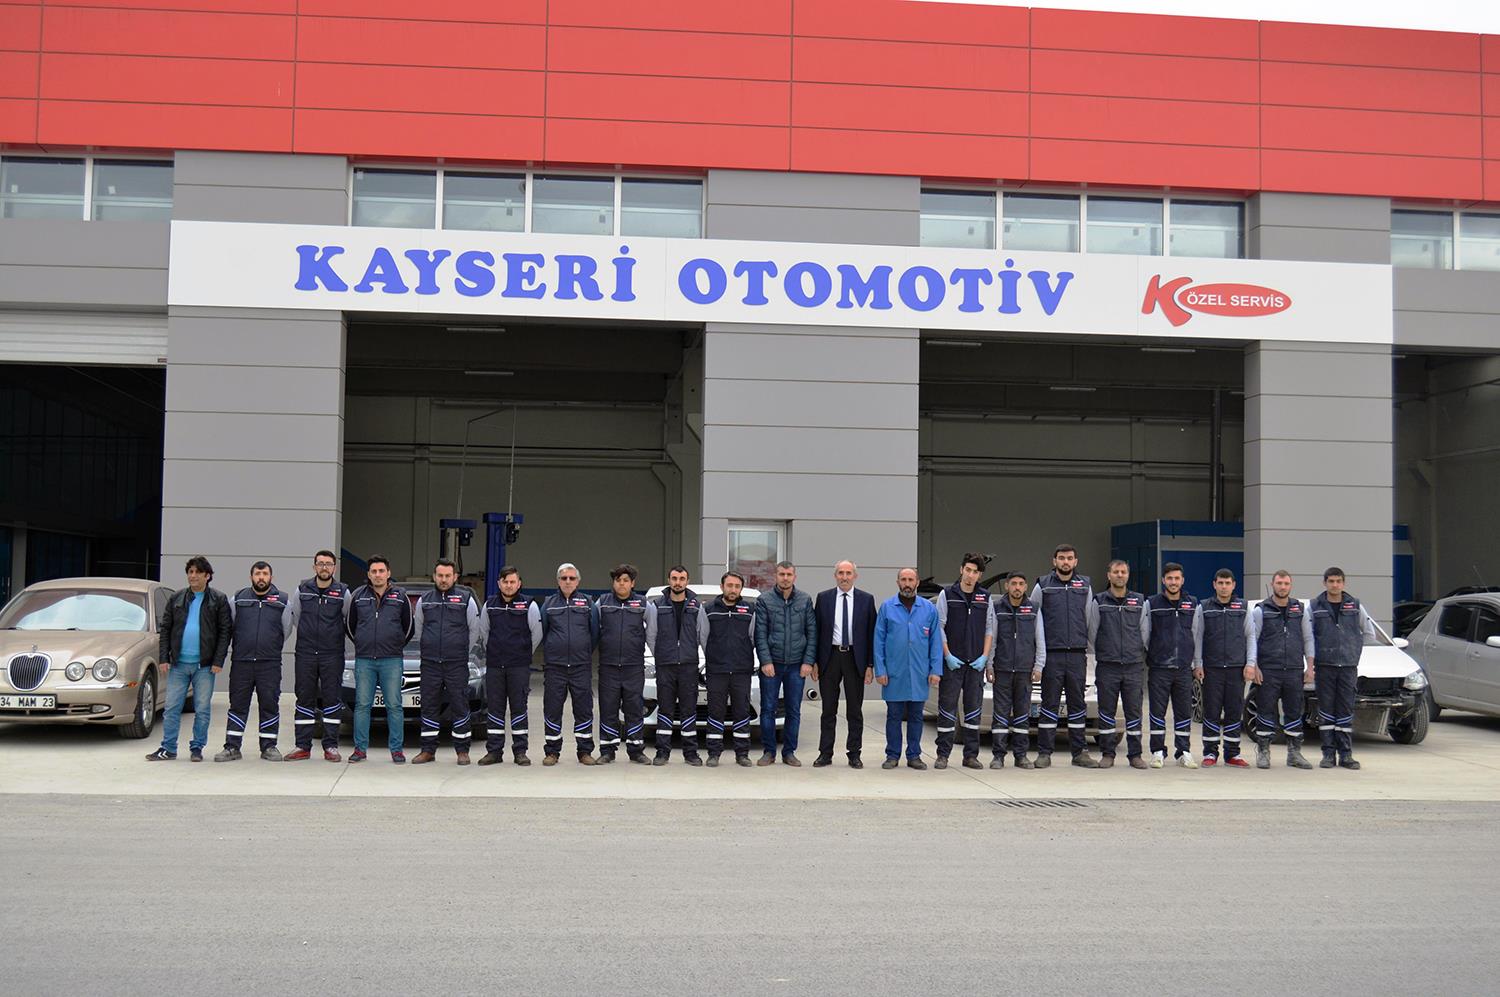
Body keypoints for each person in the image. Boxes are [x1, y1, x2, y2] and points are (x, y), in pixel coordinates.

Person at [146, 556, 232, 762]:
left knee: (202, 710)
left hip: (205, 666)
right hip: (178, 664)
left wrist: (218, 661)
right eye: (190, 572)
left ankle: (197, 748)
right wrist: (163, 657)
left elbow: (225, 631)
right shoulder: (176, 598)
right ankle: (168, 748)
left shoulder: (218, 599)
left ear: (207, 576)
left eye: (197, 572)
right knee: (171, 708)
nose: (193, 576)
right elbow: (165, 629)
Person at [215, 561, 293, 762]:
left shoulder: (283, 600)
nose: (261, 577)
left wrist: (270, 644)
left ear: (271, 577)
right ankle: (232, 747)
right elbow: (230, 626)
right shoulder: (238, 599)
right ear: (251, 577)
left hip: (269, 663)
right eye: (257, 574)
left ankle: (269, 747)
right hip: (242, 662)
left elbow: (286, 630)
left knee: (269, 704)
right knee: (238, 705)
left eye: (265, 574)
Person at [1031, 544, 1100, 767]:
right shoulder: (1042, 586)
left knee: (1077, 705)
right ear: (1054, 561)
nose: (1066, 562)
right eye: (1061, 558)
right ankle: (1044, 753)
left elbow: (1089, 620)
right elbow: (1034, 620)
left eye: (1070, 558)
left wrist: (1088, 652)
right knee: (1049, 704)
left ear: (1075, 561)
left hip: (1077, 655)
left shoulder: (1085, 586)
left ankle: (1080, 753)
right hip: (1052, 655)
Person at [411, 558, 480, 765]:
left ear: (455, 577)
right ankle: (428, 750)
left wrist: (459, 651)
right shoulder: (425, 600)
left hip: (456, 663)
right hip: (430, 663)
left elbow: (474, 630)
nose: (443, 579)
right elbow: (419, 629)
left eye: (447, 576)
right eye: (440, 575)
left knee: (460, 705)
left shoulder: (466, 599)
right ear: (434, 576)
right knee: (429, 706)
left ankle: (462, 751)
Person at [345, 555, 413, 764]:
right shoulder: (358, 596)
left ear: (388, 573)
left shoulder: (400, 596)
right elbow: (350, 626)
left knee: (394, 706)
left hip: (391, 660)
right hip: (365, 660)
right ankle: (360, 750)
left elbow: (409, 627)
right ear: (368, 574)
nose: (377, 575)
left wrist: (395, 645)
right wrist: (362, 643)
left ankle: (397, 750)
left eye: (381, 571)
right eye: (373, 571)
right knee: (362, 705)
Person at [874, 568, 943, 769]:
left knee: (916, 717)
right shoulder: (887, 607)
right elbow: (878, 641)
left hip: (919, 672)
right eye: (903, 579)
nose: (907, 583)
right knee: (894, 716)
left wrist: (935, 670)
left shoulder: (929, 609)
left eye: (910, 579)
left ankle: (914, 755)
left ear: (917, 582)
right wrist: (880, 669)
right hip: (893, 673)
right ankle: (892, 755)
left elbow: (935, 642)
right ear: (898, 582)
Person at [286, 550, 351, 762]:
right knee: (304, 698)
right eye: (320, 563)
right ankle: (302, 746)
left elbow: (348, 619)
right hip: (306, 653)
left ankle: (331, 746)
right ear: (314, 566)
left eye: (328, 564)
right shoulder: (302, 590)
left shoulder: (343, 592)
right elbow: (297, 618)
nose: (324, 567)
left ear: (334, 567)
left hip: (332, 654)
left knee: (332, 699)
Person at [1308, 566, 1375, 770]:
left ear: (1344, 583)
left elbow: (1369, 633)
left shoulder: (1355, 606)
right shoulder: (1315, 606)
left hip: (1347, 667)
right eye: (1331, 581)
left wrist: (1354, 653)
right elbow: (1308, 636)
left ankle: (1346, 755)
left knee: (1345, 711)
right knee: (1326, 711)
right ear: (1325, 583)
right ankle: (1328, 755)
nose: (1335, 585)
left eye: (1338, 581)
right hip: (1324, 666)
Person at [1248, 570, 1315, 769]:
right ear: (1272, 585)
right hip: (1268, 670)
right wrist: (1255, 666)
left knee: (1294, 712)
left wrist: (1310, 667)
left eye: (1286, 583)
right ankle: (1263, 753)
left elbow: (1308, 639)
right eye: (1279, 583)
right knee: (1265, 711)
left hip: (1294, 670)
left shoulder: (1300, 610)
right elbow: (1253, 640)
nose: (1282, 587)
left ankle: (1294, 754)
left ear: (1290, 585)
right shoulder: (1261, 610)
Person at [812, 560, 876, 768]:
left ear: (855, 576)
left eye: (848, 573)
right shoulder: (824, 598)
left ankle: (854, 754)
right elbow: (816, 631)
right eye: (841, 573)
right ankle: (825, 753)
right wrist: (815, 661)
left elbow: (871, 634)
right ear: (835, 576)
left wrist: (870, 665)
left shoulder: (866, 599)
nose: (844, 577)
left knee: (855, 710)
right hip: (830, 658)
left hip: (855, 658)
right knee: (828, 710)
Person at [753, 560, 817, 767]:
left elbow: (812, 633)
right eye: (782, 574)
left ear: (794, 577)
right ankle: (769, 752)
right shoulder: (764, 600)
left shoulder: (805, 600)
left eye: (789, 574)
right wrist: (765, 661)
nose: (785, 578)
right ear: (776, 576)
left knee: (793, 711)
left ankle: (789, 752)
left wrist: (808, 661)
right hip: (772, 665)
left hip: (797, 666)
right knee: (768, 709)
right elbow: (760, 634)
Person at [934, 553, 994, 770]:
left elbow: (989, 629)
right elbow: (939, 627)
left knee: (973, 712)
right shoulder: (947, 594)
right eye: (968, 570)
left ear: (979, 575)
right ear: (961, 570)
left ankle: (970, 756)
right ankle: (943, 755)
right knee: (947, 710)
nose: (970, 575)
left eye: (975, 572)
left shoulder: (985, 597)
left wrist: (984, 657)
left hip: (975, 664)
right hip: (953, 663)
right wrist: (947, 655)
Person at [478, 565, 540, 766]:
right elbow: (484, 632)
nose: (509, 585)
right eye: (505, 582)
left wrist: (522, 653)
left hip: (518, 666)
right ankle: (494, 751)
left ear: (519, 583)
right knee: (495, 709)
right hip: (495, 665)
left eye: (513, 581)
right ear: (499, 583)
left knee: (519, 707)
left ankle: (520, 751)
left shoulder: (529, 605)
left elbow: (536, 634)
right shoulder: (490, 605)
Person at [1088, 560, 1148, 769]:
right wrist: (1105, 652)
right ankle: (1107, 754)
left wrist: (1135, 651)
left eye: (1123, 572)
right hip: (1108, 665)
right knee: (1106, 712)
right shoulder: (1099, 601)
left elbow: (1145, 632)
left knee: (1134, 712)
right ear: (1109, 575)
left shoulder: (1139, 601)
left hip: (1133, 665)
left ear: (1128, 575)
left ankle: (1135, 755)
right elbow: (1092, 632)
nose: (1120, 575)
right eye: (1116, 572)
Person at [596, 563, 656, 764]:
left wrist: (655, 657)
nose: (621, 584)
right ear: (613, 583)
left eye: (625, 580)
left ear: (632, 583)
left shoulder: (643, 604)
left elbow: (652, 633)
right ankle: (607, 750)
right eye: (618, 580)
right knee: (608, 709)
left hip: (633, 667)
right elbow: (593, 630)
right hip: (609, 666)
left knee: (634, 709)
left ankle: (636, 750)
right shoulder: (602, 603)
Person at [541, 562, 600, 766]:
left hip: (580, 666)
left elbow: (594, 633)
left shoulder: (588, 603)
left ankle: (584, 751)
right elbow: (543, 631)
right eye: (564, 578)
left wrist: (582, 650)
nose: (568, 581)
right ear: (558, 581)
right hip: (555, 667)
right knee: (552, 709)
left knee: (583, 709)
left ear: (578, 581)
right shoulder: (548, 604)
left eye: (572, 578)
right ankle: (552, 752)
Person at [1142, 562, 1199, 769]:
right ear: (1163, 580)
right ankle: (1157, 752)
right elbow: (1145, 634)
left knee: (1183, 713)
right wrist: (1156, 652)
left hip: (1183, 668)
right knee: (1157, 712)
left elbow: (1195, 633)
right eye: (1169, 578)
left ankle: (1183, 752)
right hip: (1159, 668)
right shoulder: (1152, 603)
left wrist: (1195, 663)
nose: (1173, 582)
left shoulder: (1192, 603)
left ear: (1182, 580)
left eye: (1177, 578)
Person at [1195, 568, 1254, 767]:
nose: (1224, 587)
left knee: (1233, 711)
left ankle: (1232, 754)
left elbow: (1251, 636)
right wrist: (1198, 663)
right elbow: (1198, 637)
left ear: (1233, 585)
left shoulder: (1243, 607)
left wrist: (1250, 663)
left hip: (1236, 668)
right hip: (1212, 668)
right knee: (1211, 711)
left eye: (1227, 583)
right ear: (1214, 584)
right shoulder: (1204, 607)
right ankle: (1210, 753)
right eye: (1220, 583)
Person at [698, 571, 757, 767]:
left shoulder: (749, 610)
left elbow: (752, 638)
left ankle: (742, 754)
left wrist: (742, 654)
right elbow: (703, 637)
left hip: (741, 670)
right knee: (715, 712)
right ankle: (714, 753)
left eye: (737, 586)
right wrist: (715, 655)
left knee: (741, 712)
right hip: (717, 670)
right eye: (729, 585)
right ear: (722, 587)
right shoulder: (708, 609)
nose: (733, 589)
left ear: (741, 589)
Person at [987, 571, 1043, 769]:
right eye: (1013, 584)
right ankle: (998, 756)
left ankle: (1021, 756)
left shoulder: (1034, 609)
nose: (1017, 587)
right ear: (1007, 586)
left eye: (1020, 584)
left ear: (1025, 587)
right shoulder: (997, 608)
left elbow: (1040, 639)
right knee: (1000, 715)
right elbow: (992, 639)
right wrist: (989, 664)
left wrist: (1039, 666)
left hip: (1024, 671)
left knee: (1022, 715)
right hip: (1002, 669)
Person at [651, 566, 703, 766]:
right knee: (665, 709)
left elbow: (702, 635)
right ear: (669, 580)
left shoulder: (696, 606)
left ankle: (691, 753)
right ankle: (662, 752)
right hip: (666, 666)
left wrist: (690, 653)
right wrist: (662, 654)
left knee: (689, 710)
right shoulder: (657, 605)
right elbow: (652, 635)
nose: (678, 582)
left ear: (687, 581)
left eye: (682, 579)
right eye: (674, 578)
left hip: (689, 666)